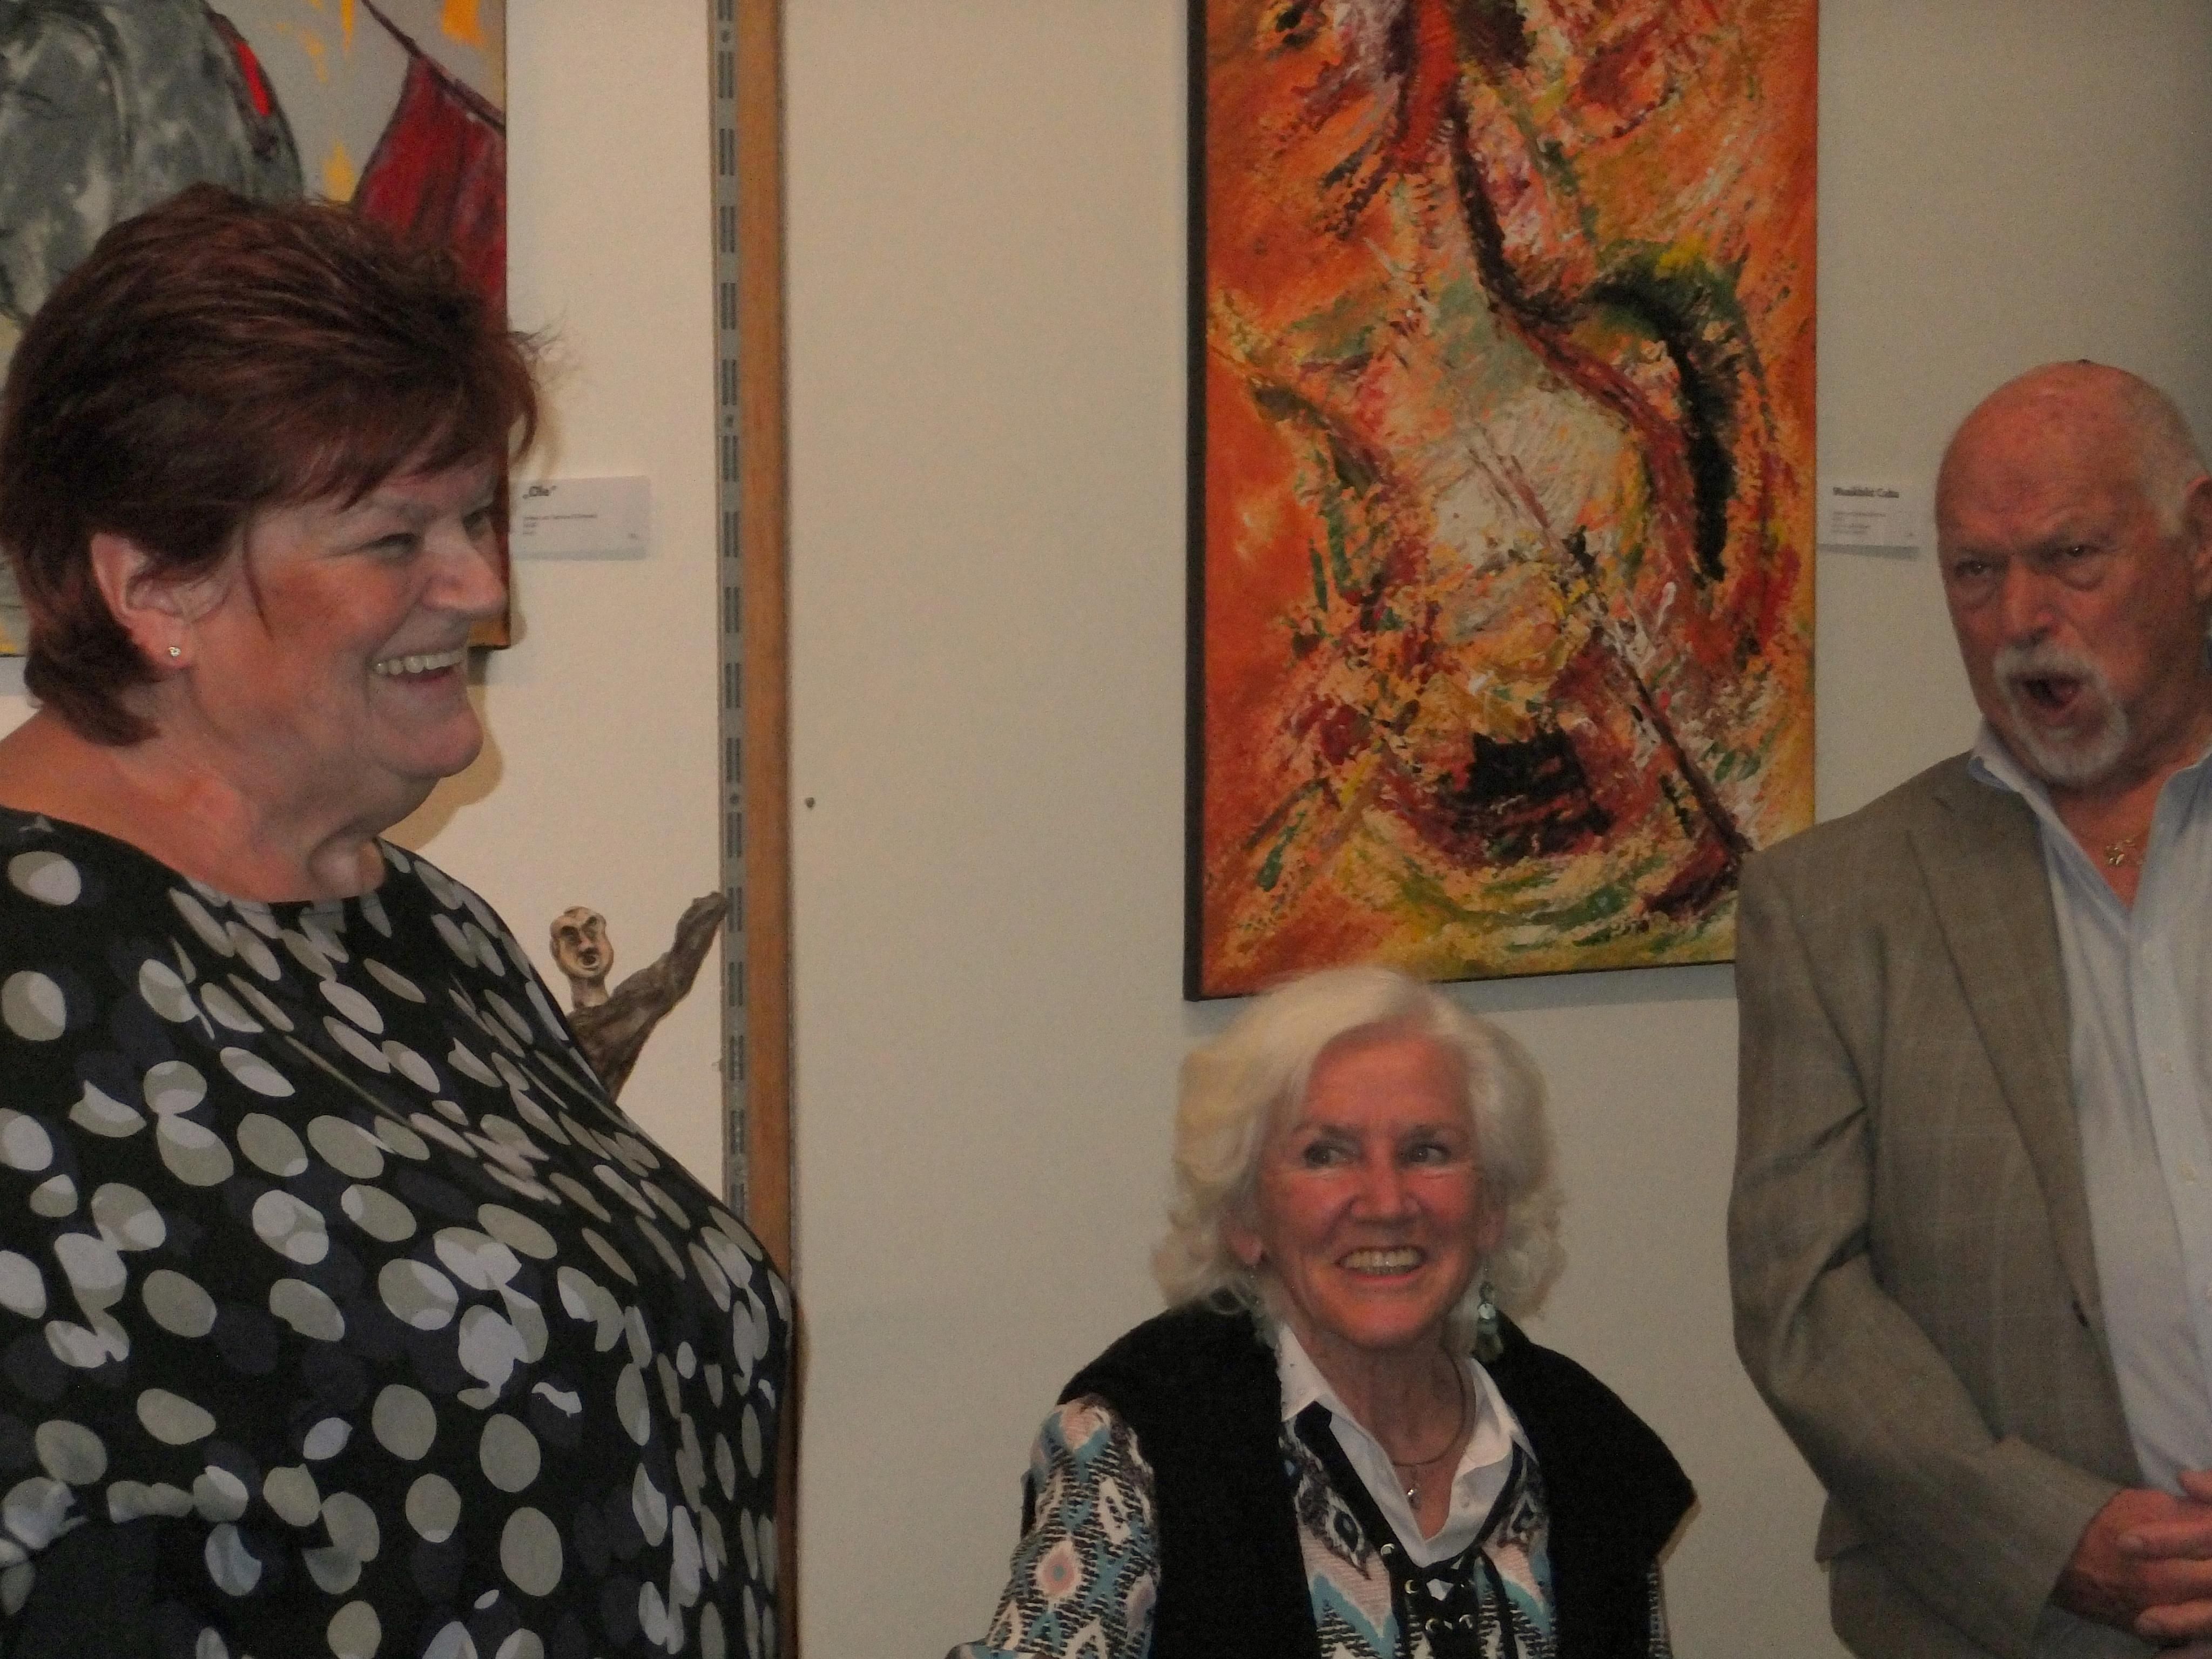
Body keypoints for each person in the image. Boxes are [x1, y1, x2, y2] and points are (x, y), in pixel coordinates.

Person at [0, 185, 787, 1658]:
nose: (480, 586)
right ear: (155, 586)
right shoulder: (27, 980)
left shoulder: (423, 928)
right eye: (392, 537)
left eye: (478, 515)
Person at [1729, 361, 2212, 1657]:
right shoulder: (1832, 904)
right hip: (2011, 1627)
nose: (2019, 619)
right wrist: (2051, 1538)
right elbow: (1802, 1301)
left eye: (2068, 557)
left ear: (2198, 543)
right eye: (1972, 572)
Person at [954, 965, 1692, 1659]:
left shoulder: (1587, 1447)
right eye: (1326, 1155)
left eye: (1428, 1151)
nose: (1387, 1203)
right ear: (1246, 1215)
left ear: (1491, 1207)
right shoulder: (1139, 1444)